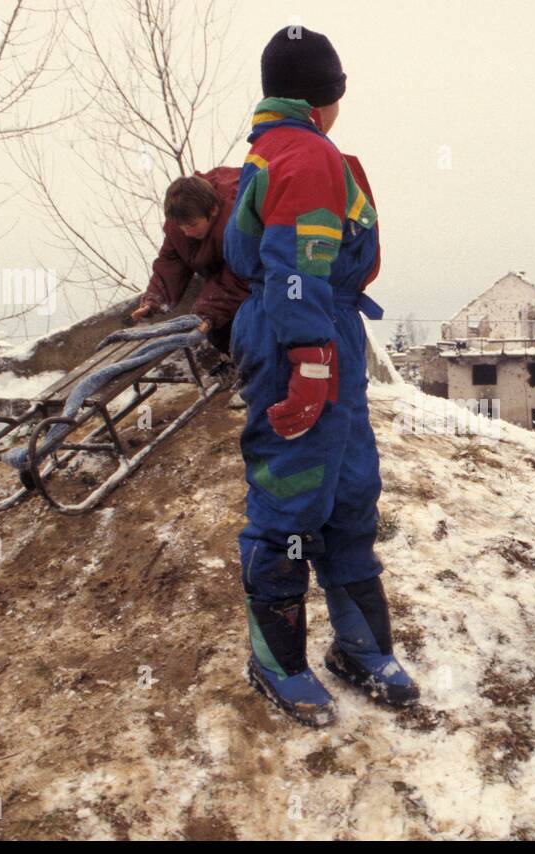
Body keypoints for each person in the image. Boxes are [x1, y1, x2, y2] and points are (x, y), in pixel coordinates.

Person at [223, 26, 418, 726]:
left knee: (348, 494)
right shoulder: (303, 155)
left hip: (331, 338)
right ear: (326, 93)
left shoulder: (288, 150)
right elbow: (295, 273)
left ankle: (359, 645)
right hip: (301, 340)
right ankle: (275, 660)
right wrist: (308, 366)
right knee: (291, 496)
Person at [134, 171, 252, 357]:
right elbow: (170, 262)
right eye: (182, 227)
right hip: (221, 283)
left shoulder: (239, 220)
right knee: (216, 332)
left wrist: (206, 312)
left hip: (258, 280)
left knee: (247, 329)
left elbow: (240, 274)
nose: (187, 233)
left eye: (192, 226)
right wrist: (154, 299)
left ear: (213, 210)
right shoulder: (181, 223)